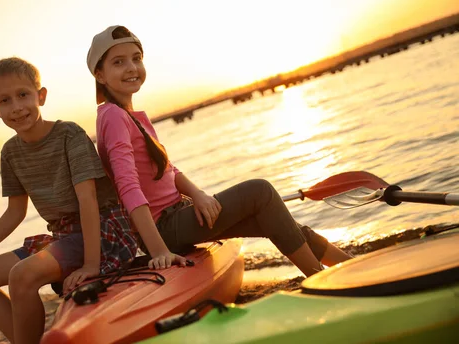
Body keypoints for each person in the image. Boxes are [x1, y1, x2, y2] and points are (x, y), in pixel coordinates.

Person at [87, 25, 351, 275]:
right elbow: (127, 186)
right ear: (100, 75)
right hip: (165, 228)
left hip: (180, 213)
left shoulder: (127, 115)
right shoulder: (113, 116)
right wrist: (159, 250)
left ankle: (350, 267)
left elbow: (168, 170)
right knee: (261, 191)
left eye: (136, 58)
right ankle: (321, 278)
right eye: (118, 62)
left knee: (276, 220)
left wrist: (198, 195)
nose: (132, 67)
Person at [0, 57, 138, 344]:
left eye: (23, 95)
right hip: (62, 238)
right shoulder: (10, 153)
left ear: (41, 96)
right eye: (5, 101)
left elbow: (88, 199)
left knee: (21, 276)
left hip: (103, 232)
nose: (16, 107)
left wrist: (91, 265)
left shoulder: (69, 135)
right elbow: (15, 212)